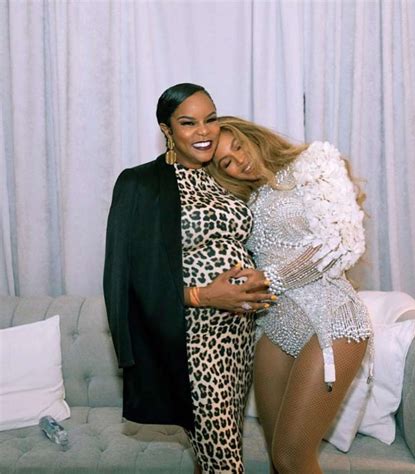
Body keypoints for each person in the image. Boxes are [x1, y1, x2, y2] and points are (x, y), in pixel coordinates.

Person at [103, 85, 272, 473]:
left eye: (210, 119)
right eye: (188, 122)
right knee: (225, 464)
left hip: (238, 341)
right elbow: (125, 278)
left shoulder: (222, 177)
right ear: (167, 130)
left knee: (214, 456)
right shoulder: (141, 183)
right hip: (192, 343)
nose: (204, 131)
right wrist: (203, 296)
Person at [208, 116, 373, 474]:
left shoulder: (313, 162)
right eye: (226, 163)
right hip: (277, 327)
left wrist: (270, 279)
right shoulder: (242, 201)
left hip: (333, 322)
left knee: (291, 457)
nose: (240, 161)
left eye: (238, 146)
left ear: (252, 136)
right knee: (277, 460)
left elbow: (342, 243)